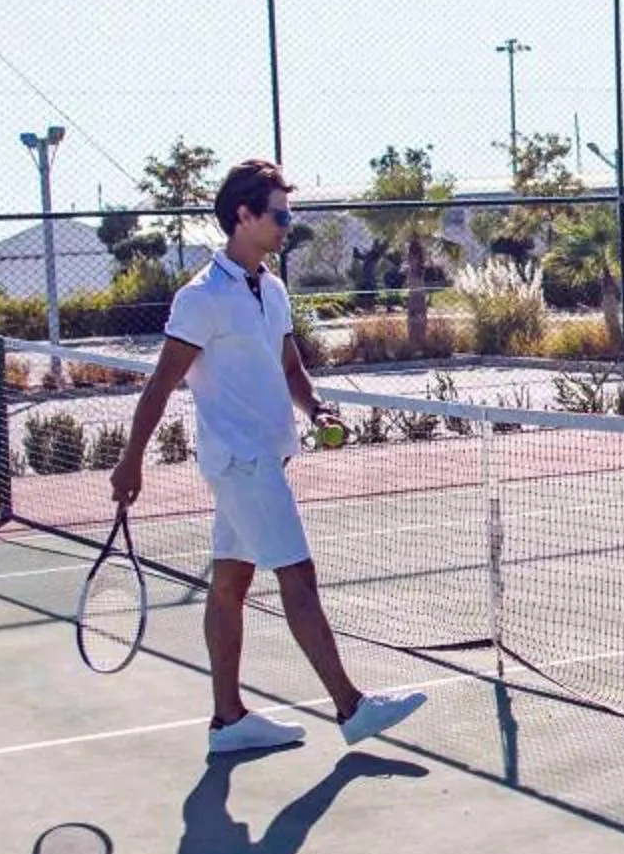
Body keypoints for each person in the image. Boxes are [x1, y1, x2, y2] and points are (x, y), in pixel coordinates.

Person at [110, 160, 427, 756]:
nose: (287, 226)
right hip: (241, 462)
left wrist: (316, 410)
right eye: (278, 216)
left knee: (230, 583)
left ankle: (228, 720)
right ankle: (351, 707)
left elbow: (288, 366)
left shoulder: (272, 290)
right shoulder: (201, 298)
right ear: (244, 215)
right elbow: (160, 384)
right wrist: (131, 460)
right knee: (297, 576)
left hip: (264, 460)